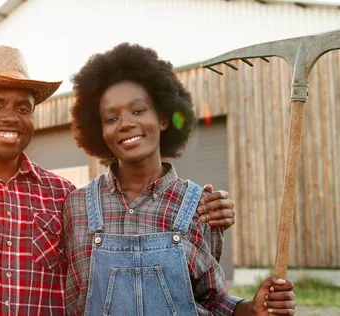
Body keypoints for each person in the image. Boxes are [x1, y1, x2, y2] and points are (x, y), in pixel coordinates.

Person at [0, 45, 238, 315]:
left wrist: (199, 205)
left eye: (22, 108)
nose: (10, 117)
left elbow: (127, 246)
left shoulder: (62, 197)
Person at [63, 42, 296, 316]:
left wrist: (253, 309)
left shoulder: (201, 206)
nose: (126, 123)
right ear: (99, 130)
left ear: (163, 118)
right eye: (111, 118)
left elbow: (212, 300)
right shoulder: (76, 206)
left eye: (138, 111)